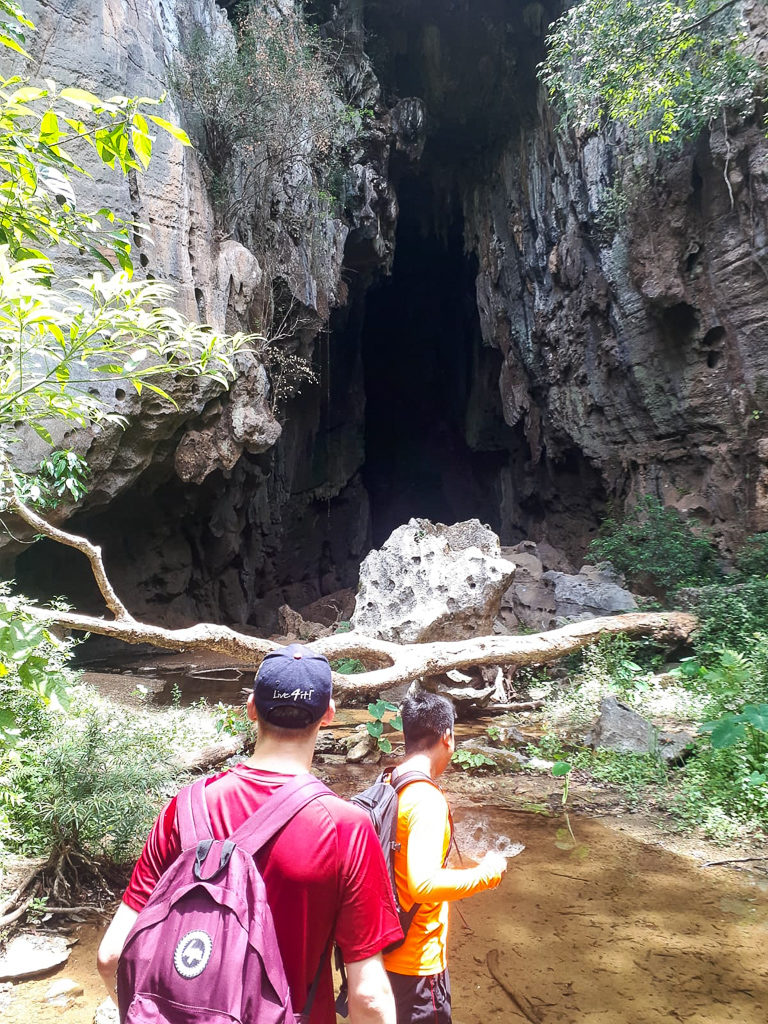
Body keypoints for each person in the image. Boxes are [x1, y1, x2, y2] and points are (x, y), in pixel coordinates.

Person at [97, 643, 402, 1024]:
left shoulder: (185, 807)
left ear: (252, 709)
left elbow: (111, 956)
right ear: (328, 715)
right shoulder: (346, 828)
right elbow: (369, 997)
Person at [383, 691, 507, 1024]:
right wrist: (489, 872)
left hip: (381, 954)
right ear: (447, 737)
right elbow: (423, 884)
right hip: (417, 968)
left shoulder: (388, 782)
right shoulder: (425, 798)